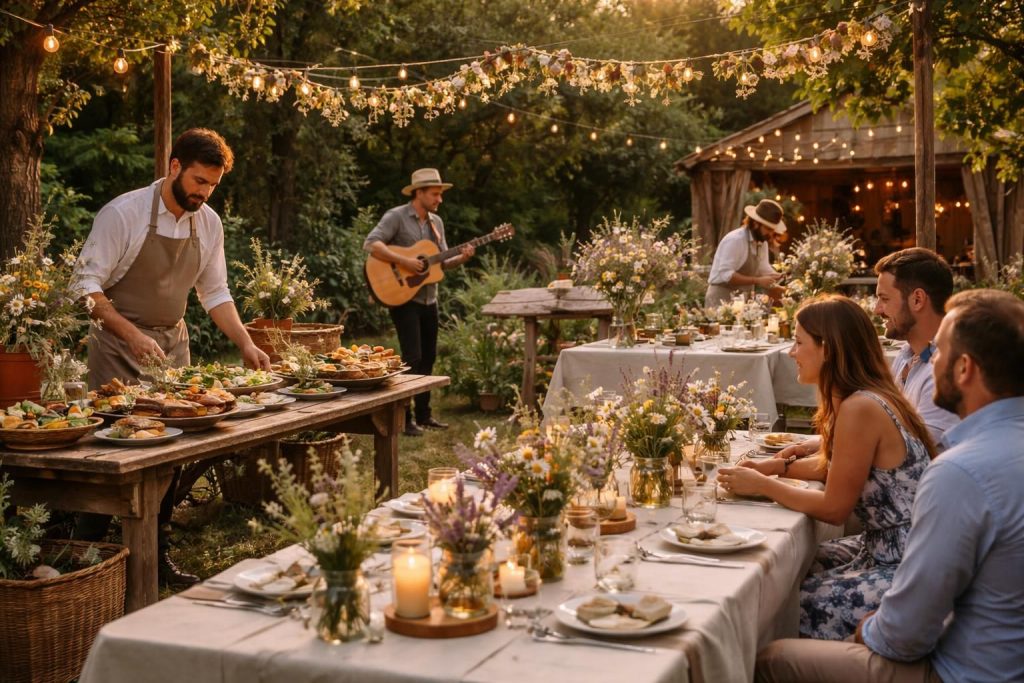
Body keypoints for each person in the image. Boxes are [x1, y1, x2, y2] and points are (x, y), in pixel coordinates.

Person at [754, 289, 1024, 683]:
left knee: (776, 646)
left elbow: (905, 635)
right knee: (795, 571)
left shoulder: (962, 473)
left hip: (966, 670)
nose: (929, 365)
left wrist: (867, 630)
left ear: (964, 368)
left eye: (939, 354)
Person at [72, 128, 271, 586]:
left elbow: (215, 291)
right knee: (111, 460)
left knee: (170, 454)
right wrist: (130, 332)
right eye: (199, 181)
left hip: (172, 349)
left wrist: (245, 342)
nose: (204, 193)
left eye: (213, 186)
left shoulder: (209, 224)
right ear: (174, 166)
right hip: (116, 348)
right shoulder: (123, 214)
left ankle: (155, 556)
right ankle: (90, 565)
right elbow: (84, 288)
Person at [718, 295, 934, 640]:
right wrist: (774, 467)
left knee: (783, 601)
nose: (791, 352)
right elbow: (835, 468)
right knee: (787, 566)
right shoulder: (868, 396)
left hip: (908, 564)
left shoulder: (860, 407)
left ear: (828, 349)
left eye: (798, 342)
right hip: (889, 547)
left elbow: (834, 509)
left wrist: (762, 484)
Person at [772, 248, 960, 466]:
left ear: (917, 299)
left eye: (884, 298)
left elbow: (916, 455)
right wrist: (817, 444)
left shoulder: (944, 372)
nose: (877, 309)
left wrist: (780, 470)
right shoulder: (906, 355)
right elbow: (886, 436)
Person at [363, 168, 473, 437]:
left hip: (428, 298)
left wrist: (463, 257)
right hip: (403, 297)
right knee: (412, 357)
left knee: (429, 357)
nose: (439, 199)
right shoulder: (396, 217)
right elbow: (371, 243)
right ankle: (405, 417)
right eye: (435, 194)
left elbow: (442, 262)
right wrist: (404, 261)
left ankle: (424, 415)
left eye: (439, 194)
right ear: (419, 193)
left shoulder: (437, 223)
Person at [705, 198, 786, 308]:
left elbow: (763, 268)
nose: (770, 233)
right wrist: (757, 280)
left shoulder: (762, 242)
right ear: (756, 223)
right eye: (768, 228)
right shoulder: (736, 240)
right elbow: (726, 275)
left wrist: (777, 278)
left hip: (743, 303)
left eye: (773, 229)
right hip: (721, 300)